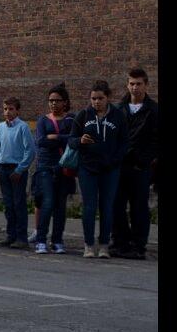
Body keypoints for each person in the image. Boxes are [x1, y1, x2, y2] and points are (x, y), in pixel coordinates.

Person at [69, 80, 128, 258]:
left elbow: (124, 142)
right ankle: (88, 245)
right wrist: (80, 141)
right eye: (93, 98)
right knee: (89, 207)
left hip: (110, 169)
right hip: (87, 168)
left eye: (100, 98)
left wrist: (115, 160)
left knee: (107, 207)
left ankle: (104, 245)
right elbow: (71, 140)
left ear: (108, 98)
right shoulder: (83, 115)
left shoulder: (118, 116)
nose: (96, 102)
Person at [110, 68, 159, 260]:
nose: (135, 87)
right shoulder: (117, 109)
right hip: (120, 166)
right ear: (127, 85)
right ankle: (119, 243)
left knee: (139, 207)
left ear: (146, 85)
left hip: (140, 168)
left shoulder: (154, 110)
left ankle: (138, 245)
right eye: (131, 83)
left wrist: (143, 160)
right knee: (117, 205)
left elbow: (156, 141)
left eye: (138, 84)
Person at [32, 83, 76, 254]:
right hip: (45, 167)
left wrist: (56, 136)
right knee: (48, 202)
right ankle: (41, 240)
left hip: (64, 166)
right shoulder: (43, 120)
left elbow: (73, 139)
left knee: (60, 205)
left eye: (57, 101)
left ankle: (57, 241)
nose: (53, 104)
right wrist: (61, 139)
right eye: (51, 100)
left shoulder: (71, 119)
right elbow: (41, 141)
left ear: (65, 102)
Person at [0, 97, 35, 249]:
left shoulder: (23, 127)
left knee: (19, 204)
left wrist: (20, 169)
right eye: (5, 109)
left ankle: (22, 237)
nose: (7, 112)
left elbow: (30, 150)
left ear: (17, 110)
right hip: (3, 168)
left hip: (16, 169)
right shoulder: (0, 127)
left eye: (11, 109)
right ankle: (11, 235)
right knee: (8, 204)